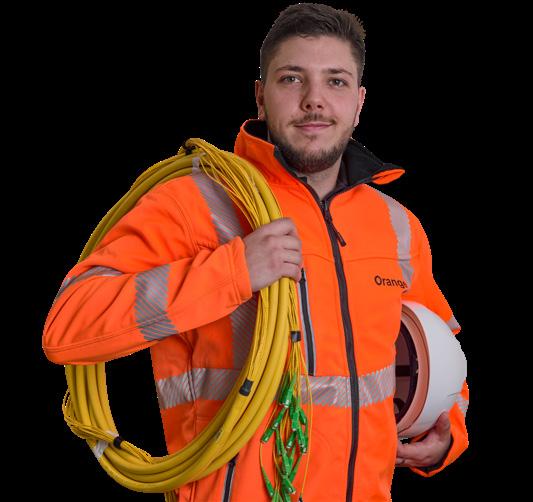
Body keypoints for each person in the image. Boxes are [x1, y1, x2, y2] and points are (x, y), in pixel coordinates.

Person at [42, 3, 469, 501]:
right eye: (292, 79)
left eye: (335, 81)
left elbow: (441, 348)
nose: (314, 100)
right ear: (261, 97)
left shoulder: (396, 225)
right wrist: (233, 272)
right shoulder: (195, 204)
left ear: (359, 102)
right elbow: (68, 328)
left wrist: (446, 434)